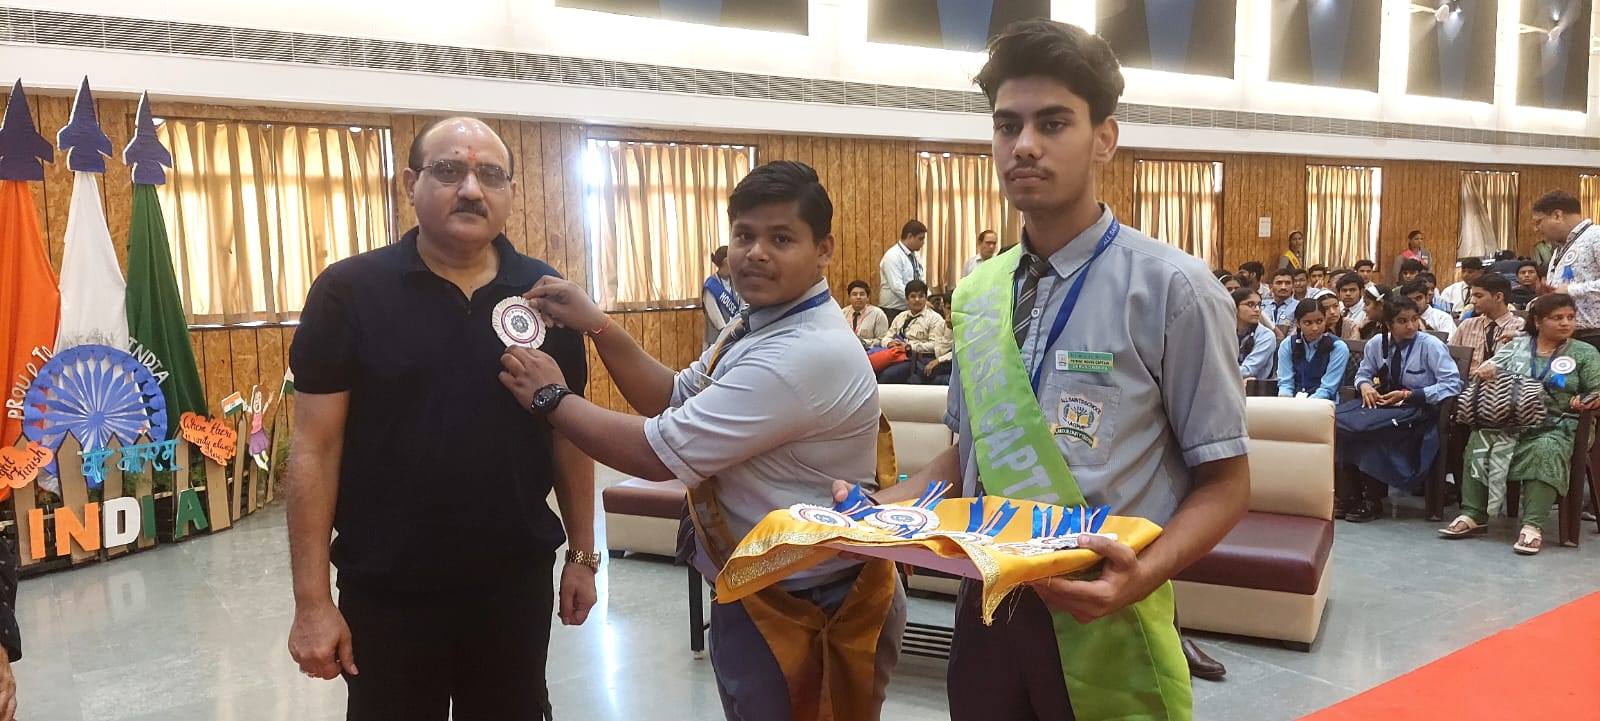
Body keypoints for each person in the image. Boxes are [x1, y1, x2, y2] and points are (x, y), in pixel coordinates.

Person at [846, 20, 1251, 716]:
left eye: (1053, 123)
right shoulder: (977, 292)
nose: (1024, 145)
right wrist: (883, 511)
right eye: (1007, 125)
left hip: (1105, 608)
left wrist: (1140, 575)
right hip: (985, 607)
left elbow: (1227, 482)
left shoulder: (1173, 290)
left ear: (1104, 138)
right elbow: (967, 456)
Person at [508, 160, 906, 721]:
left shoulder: (802, 353)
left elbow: (654, 451)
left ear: (824, 250)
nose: (756, 253)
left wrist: (553, 398)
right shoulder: (758, 322)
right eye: (744, 235)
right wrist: (599, 324)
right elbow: (672, 394)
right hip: (759, 589)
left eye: (781, 238)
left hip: (813, 606)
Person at [285, 117, 596, 721]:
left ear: (510, 192)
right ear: (411, 183)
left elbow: (569, 432)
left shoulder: (545, 296)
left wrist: (583, 554)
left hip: (512, 583)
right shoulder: (349, 292)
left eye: (491, 176)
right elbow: (314, 449)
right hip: (387, 589)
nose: (472, 190)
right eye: (449, 171)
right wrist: (312, 601)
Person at [1441, 294, 1600, 554]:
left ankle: (1532, 525)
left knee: (1545, 448)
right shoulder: (1518, 346)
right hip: (1512, 422)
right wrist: (1488, 371)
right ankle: (1474, 514)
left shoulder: (1584, 353)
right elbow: (1488, 370)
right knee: (1480, 438)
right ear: (1538, 321)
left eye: (1570, 317)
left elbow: (1597, 390)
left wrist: (1585, 400)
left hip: (1561, 423)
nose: (1565, 323)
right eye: (1557, 318)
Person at [1336, 297, 1462, 521]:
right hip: (1386, 407)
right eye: (1402, 321)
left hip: (1420, 411)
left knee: (1372, 433)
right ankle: (1349, 496)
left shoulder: (1430, 345)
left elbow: (1452, 384)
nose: (1411, 326)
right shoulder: (1377, 344)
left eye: (1414, 319)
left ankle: (1372, 500)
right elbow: (1363, 373)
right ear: (1388, 324)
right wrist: (1365, 386)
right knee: (1341, 427)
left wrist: (1409, 395)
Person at [1536, 189, 1600, 348]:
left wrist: (1570, 290)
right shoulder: (1561, 247)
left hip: (1593, 335)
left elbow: (1569, 289)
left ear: (1557, 215)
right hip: (1564, 336)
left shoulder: (1596, 236)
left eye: (1539, 222)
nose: (1536, 229)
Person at [876, 280, 952, 384]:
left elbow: (934, 345)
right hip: (894, 355)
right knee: (874, 369)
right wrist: (890, 343)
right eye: (913, 296)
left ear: (926, 298)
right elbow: (886, 337)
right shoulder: (901, 316)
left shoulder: (934, 318)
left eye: (921, 296)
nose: (917, 300)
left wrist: (909, 347)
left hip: (916, 359)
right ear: (907, 299)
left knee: (887, 376)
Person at [1449, 273, 1525, 369]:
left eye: (1478, 296)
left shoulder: (1520, 327)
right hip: (1468, 377)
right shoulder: (1467, 325)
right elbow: (1449, 358)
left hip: (1503, 378)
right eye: (1472, 296)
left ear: (1498, 297)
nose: (1472, 301)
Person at [1277, 301, 1349, 400]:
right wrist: (1285, 401)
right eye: (1308, 323)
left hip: (1325, 404)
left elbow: (1327, 389)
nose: (1315, 328)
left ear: (1325, 320)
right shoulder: (1288, 344)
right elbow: (1285, 383)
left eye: (1319, 321)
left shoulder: (1338, 347)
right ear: (1298, 323)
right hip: (1293, 402)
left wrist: (1307, 405)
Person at [878, 219, 928, 321]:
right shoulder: (893, 256)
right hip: (893, 310)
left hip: (912, 307)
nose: (923, 243)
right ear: (910, 237)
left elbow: (920, 279)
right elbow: (896, 286)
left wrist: (928, 297)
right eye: (920, 239)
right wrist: (918, 300)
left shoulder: (915, 255)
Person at [703, 245, 742, 348]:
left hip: (735, 338)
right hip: (716, 340)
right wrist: (728, 333)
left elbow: (742, 306)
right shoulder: (711, 285)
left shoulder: (736, 282)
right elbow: (715, 317)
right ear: (726, 261)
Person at [1234, 288, 1276, 381]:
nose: (1257, 309)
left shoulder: (1267, 336)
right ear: (1235, 307)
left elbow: (1249, 370)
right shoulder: (1223, 332)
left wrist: (1220, 374)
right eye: (1250, 304)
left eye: (1259, 305)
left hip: (1255, 387)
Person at [842, 278, 889, 349]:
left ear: (867, 297)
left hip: (869, 352)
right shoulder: (842, 313)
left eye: (862, 294)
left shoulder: (878, 314)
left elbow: (883, 340)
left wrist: (864, 343)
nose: (858, 297)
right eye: (854, 294)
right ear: (849, 297)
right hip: (846, 349)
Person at [1263, 268, 1299, 336]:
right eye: (1279, 283)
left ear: (1293, 286)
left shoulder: (1299, 306)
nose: (1283, 287)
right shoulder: (1261, 305)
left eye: (1287, 283)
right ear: (1271, 286)